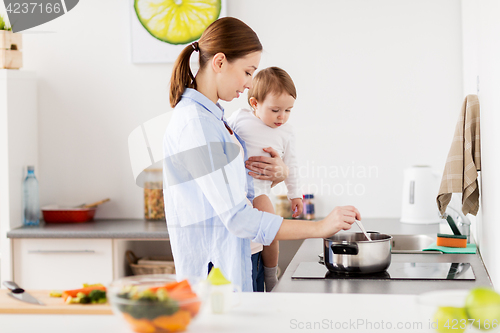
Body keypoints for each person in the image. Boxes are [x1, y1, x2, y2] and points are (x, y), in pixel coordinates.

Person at [163, 17, 361, 292]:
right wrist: (319, 228)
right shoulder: (197, 125)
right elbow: (238, 217)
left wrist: (281, 175)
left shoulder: (216, 120)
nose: (248, 84)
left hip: (245, 256)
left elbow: (240, 187)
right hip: (218, 274)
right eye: (247, 72)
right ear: (219, 63)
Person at [226, 67, 302, 292]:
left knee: (271, 229)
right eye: (276, 109)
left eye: (288, 110)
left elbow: (292, 165)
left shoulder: (286, 132)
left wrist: (294, 194)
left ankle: (271, 273)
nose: (282, 116)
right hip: (237, 191)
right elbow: (224, 138)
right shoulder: (239, 118)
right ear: (254, 103)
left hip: (258, 190)